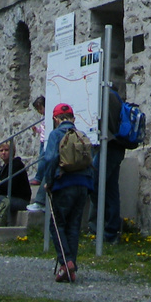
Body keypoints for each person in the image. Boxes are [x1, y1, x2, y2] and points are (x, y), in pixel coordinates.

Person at [39, 103, 94, 283]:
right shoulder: (81, 135)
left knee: (57, 224)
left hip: (64, 184)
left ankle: (66, 262)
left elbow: (51, 158)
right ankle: (70, 266)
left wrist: (48, 181)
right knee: (73, 225)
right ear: (73, 118)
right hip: (83, 184)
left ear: (55, 119)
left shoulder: (56, 134)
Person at [97, 85, 129, 245]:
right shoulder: (113, 96)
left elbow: (106, 125)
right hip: (116, 147)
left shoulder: (106, 96)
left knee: (95, 184)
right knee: (110, 190)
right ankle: (111, 231)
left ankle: (108, 229)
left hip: (109, 146)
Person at [26, 96, 48, 213]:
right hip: (42, 140)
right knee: (41, 158)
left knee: (42, 159)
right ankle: (39, 177)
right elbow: (42, 129)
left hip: (46, 141)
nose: (40, 112)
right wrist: (37, 130)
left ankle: (39, 177)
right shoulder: (44, 118)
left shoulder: (49, 116)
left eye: (41, 109)